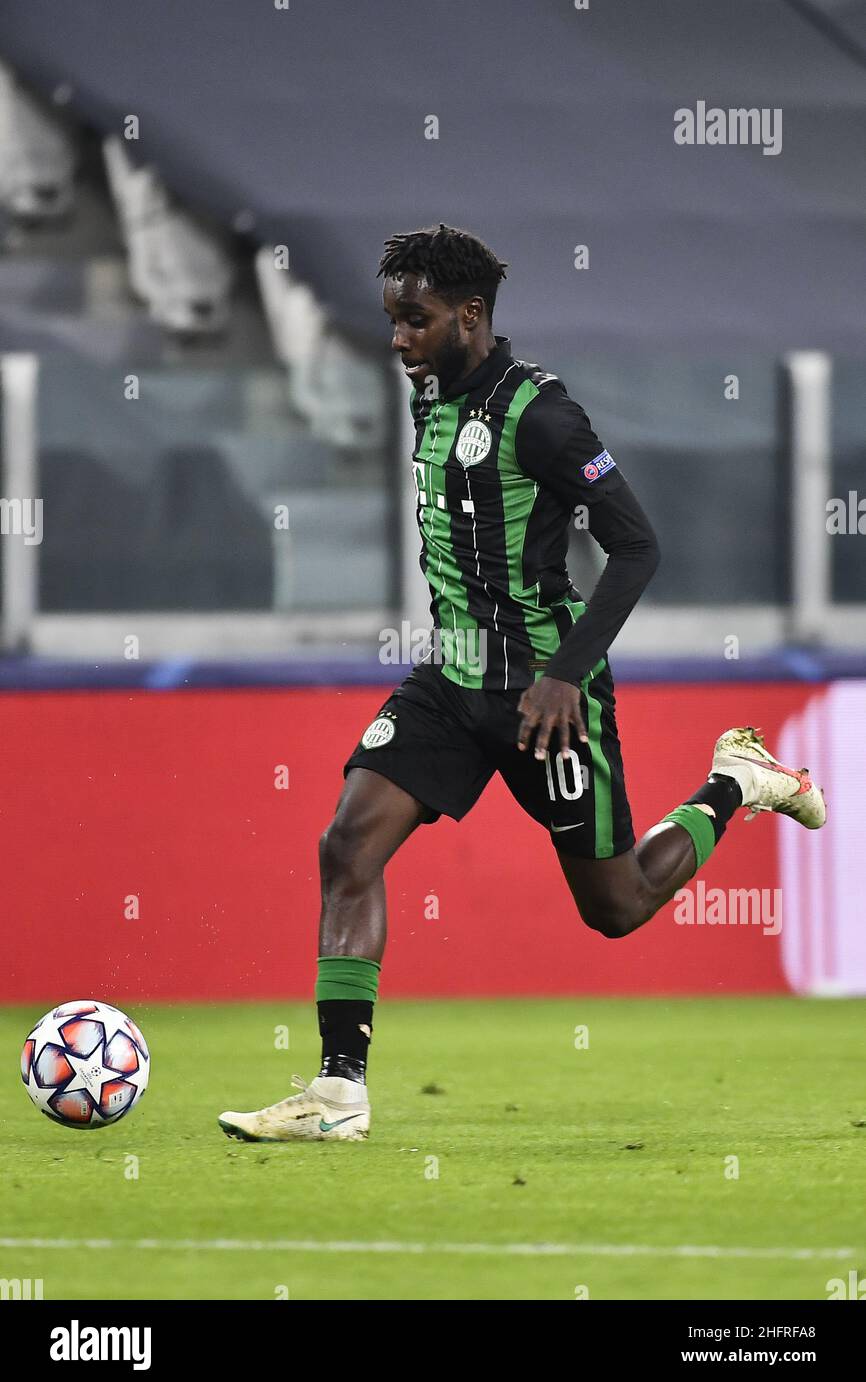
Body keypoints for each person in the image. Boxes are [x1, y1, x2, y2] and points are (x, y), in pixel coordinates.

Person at [219, 224, 825, 1144]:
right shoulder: (428, 397)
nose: (398, 340)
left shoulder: (539, 414)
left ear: (470, 316)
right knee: (347, 846)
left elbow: (637, 545)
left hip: (547, 700)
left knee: (615, 907)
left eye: (414, 321)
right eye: (391, 320)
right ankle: (338, 1094)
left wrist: (562, 675)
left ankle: (734, 782)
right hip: (449, 684)